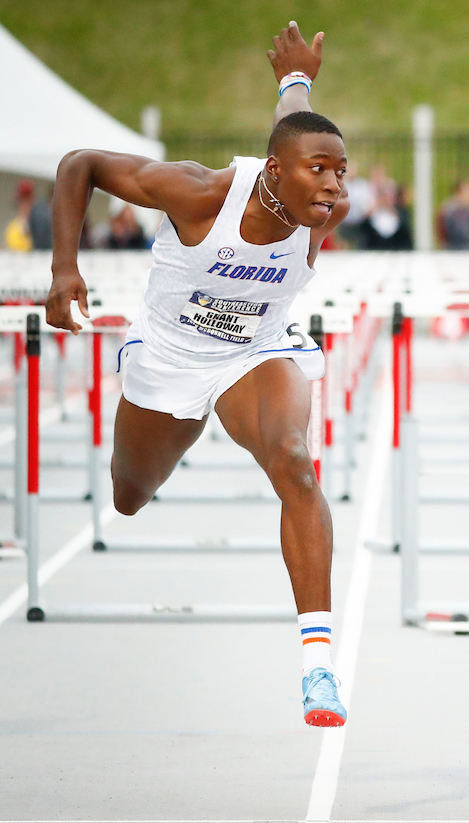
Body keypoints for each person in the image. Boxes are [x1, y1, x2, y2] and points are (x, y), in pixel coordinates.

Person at [44, 22, 350, 728]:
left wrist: (294, 83)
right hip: (170, 359)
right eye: (319, 170)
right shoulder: (201, 194)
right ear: (275, 173)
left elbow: (294, 131)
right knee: (128, 494)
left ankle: (318, 665)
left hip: (256, 356)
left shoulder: (319, 207)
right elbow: (78, 163)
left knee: (296, 465)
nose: (333, 186)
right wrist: (64, 269)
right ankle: (153, 460)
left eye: (341, 169)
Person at [438, 179, 469, 250]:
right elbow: (442, 230)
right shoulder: (448, 210)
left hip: (468, 247)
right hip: (453, 247)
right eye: (466, 191)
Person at [6, 179, 35, 251]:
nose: (26, 206)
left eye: (28, 201)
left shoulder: (41, 224)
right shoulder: (12, 228)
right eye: (22, 201)